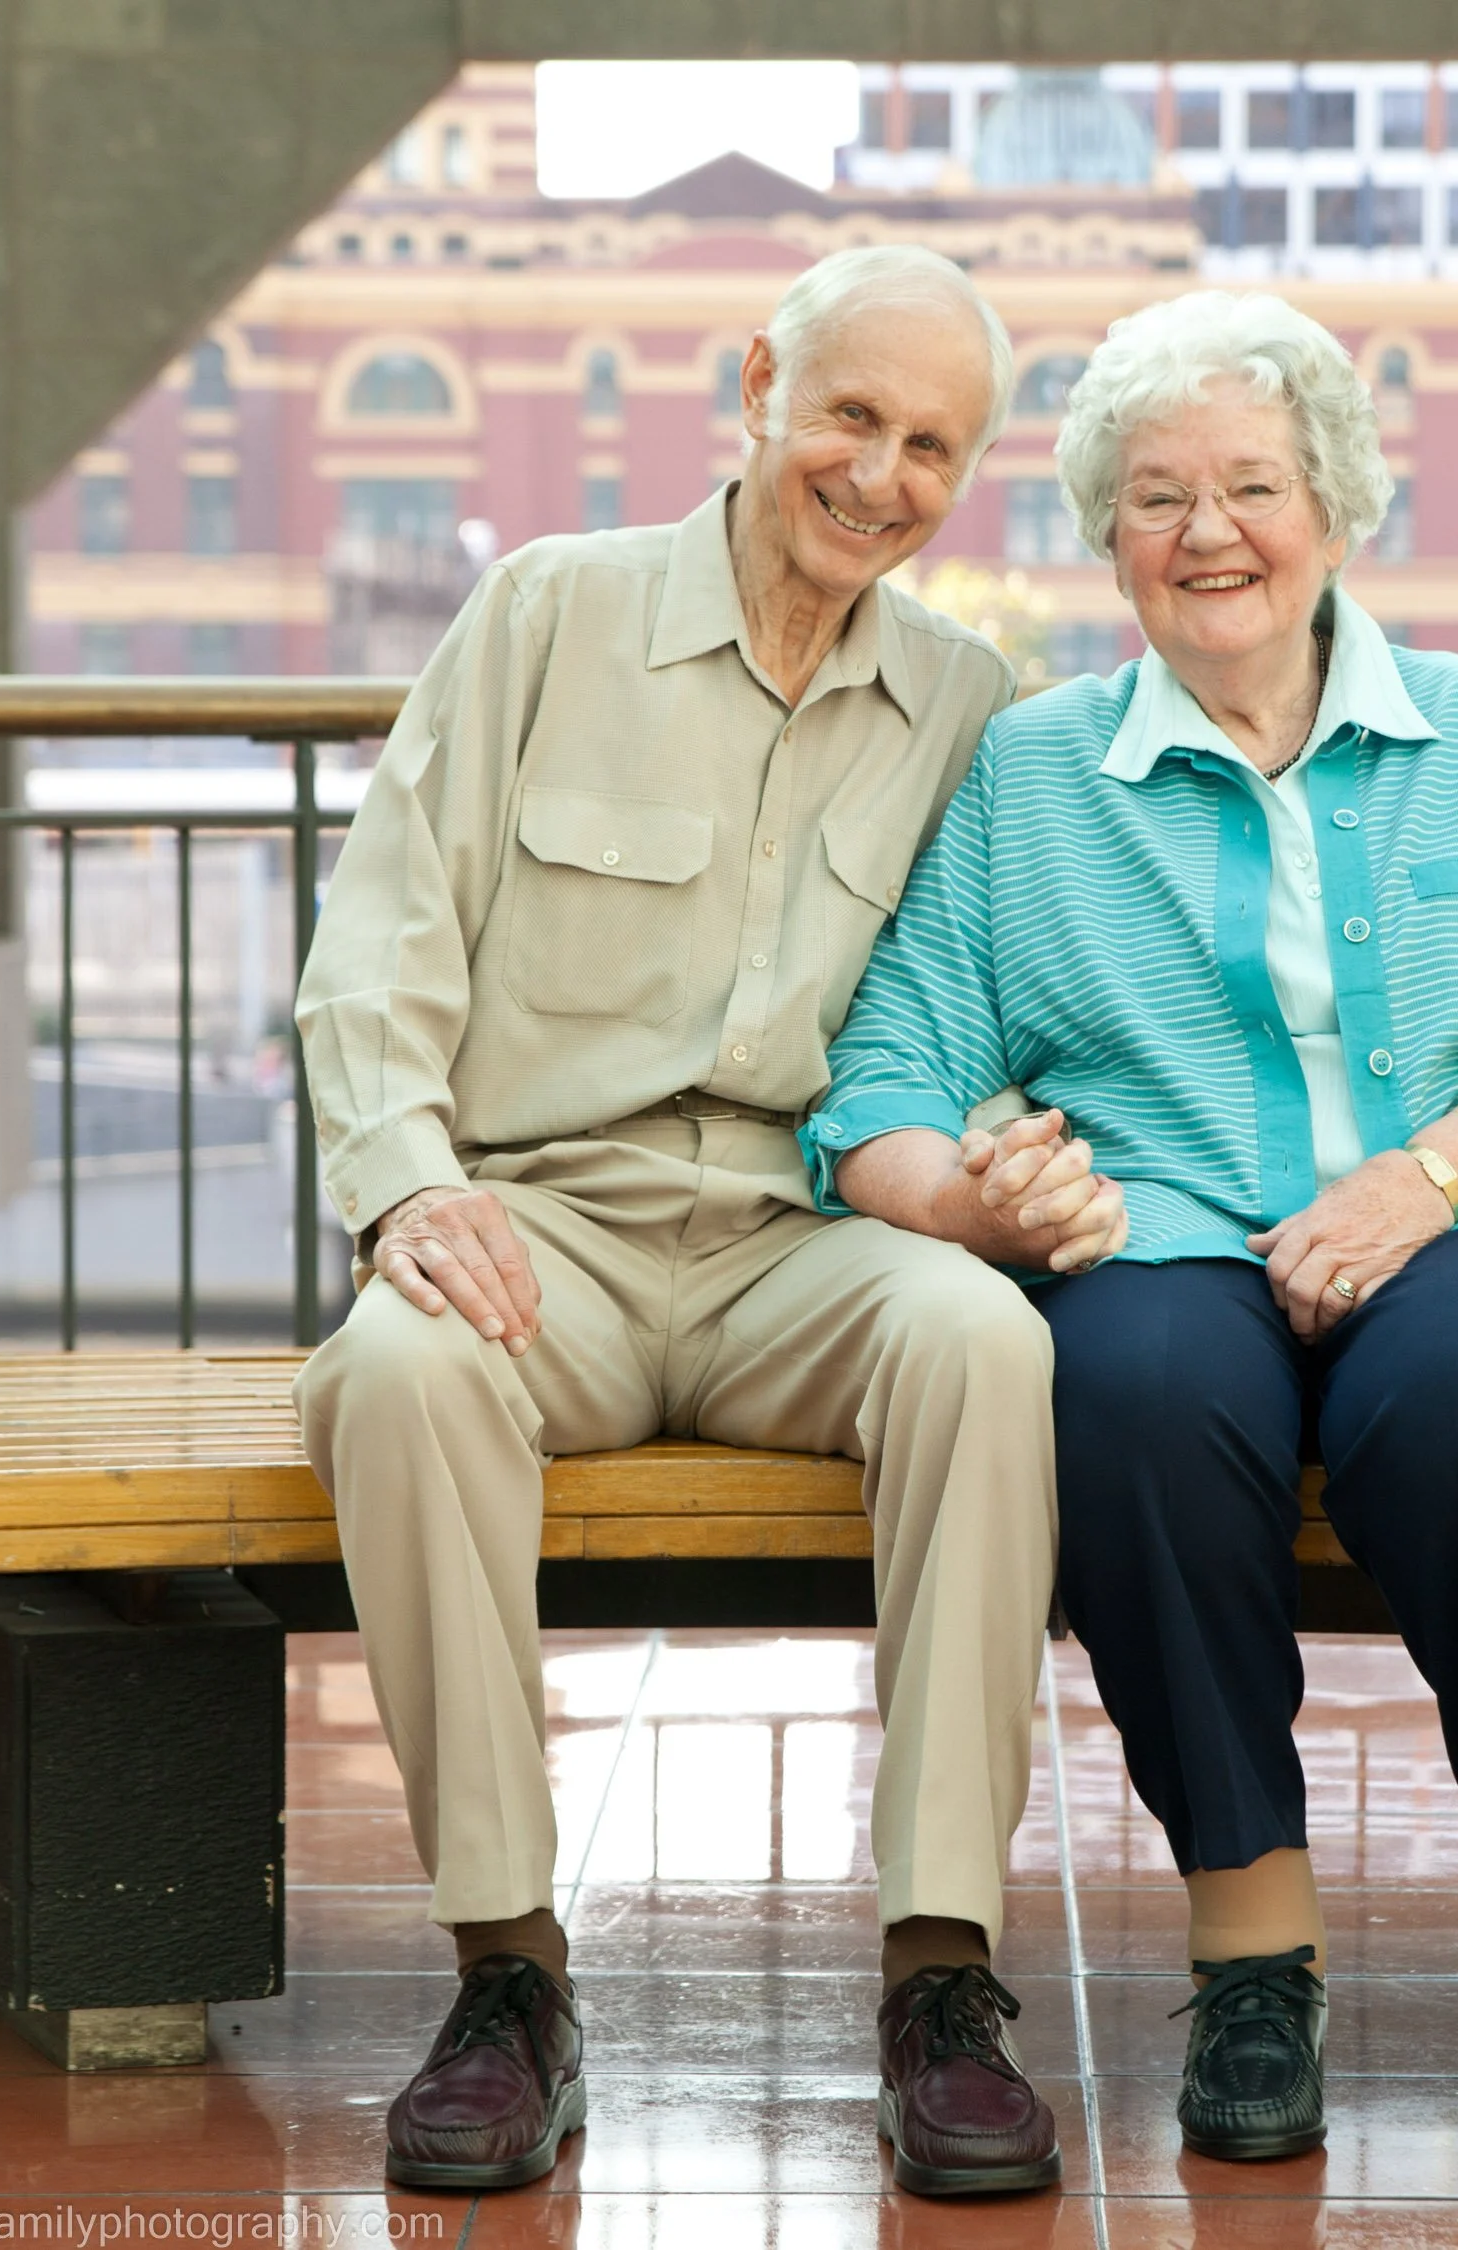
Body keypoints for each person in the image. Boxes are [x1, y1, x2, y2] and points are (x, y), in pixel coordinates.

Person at [806, 291, 1458, 2174]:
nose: (1207, 532)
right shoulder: (1038, 774)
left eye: (1250, 486)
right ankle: (1250, 1943)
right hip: (1171, 1239)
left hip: (1456, 1223)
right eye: (1156, 497)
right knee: (1133, 1388)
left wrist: (1427, 1183)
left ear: (1335, 506)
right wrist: (973, 1202)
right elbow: (883, 1077)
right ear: (1107, 537)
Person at [293, 246, 1125, 2199]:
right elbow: (382, 935)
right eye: (851, 415)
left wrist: (1006, 1162)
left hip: (796, 1250)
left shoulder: (962, 702)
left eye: (933, 446)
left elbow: (978, 1013)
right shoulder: (543, 616)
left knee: (985, 1339)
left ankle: (941, 1977)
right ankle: (510, 1974)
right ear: (757, 384)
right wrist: (407, 1179)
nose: (881, 474)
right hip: (541, 1235)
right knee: (397, 1376)